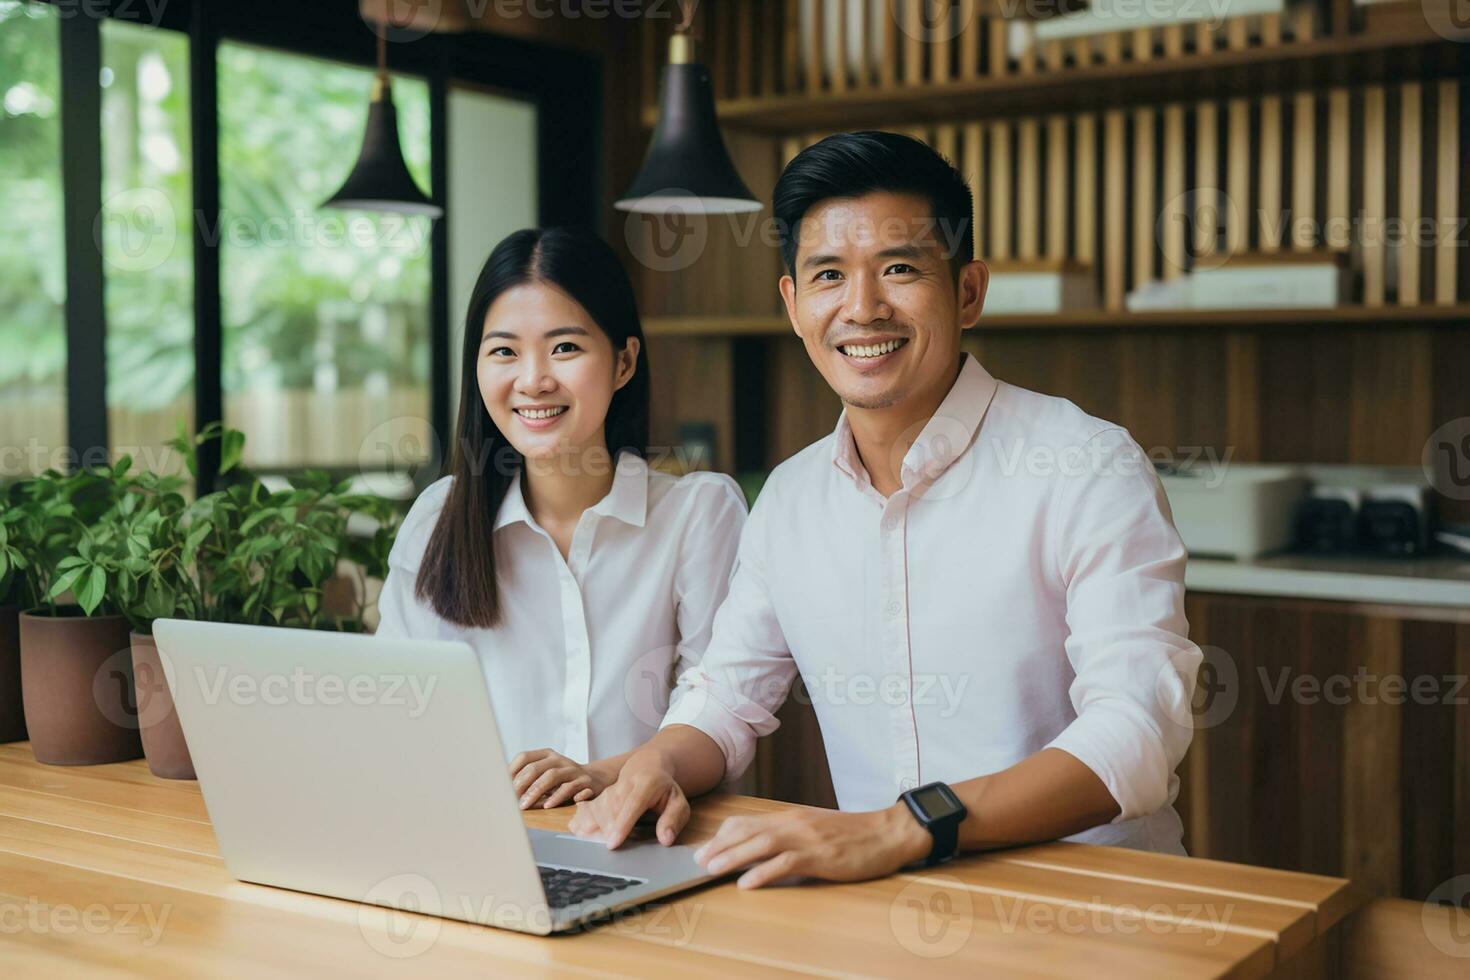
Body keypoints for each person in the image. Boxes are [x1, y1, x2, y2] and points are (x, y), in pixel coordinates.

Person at [570, 132, 1202, 888]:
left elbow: (1137, 732)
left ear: (968, 291)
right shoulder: (793, 498)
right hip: (887, 914)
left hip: (1096, 913)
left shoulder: (1084, 464)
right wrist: (657, 762)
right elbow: (725, 699)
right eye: (828, 275)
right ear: (794, 304)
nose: (862, 308)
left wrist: (902, 827)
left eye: (899, 269)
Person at [375, 226, 746, 811]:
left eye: (565, 348)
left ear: (624, 361)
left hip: (650, 839)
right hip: (484, 841)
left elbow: (722, 712)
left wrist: (595, 777)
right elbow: (394, 712)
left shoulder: (697, 515)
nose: (533, 380)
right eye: (503, 351)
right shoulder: (438, 520)